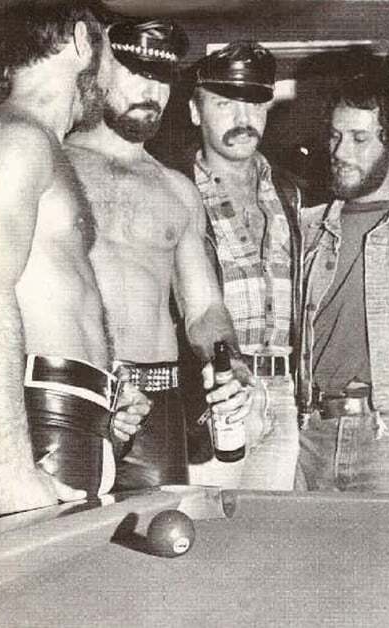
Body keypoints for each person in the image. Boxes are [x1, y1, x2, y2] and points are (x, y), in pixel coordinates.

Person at [0, 0, 152, 517]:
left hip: (73, 415)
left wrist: (106, 390)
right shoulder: (14, 139)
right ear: (80, 40)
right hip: (36, 424)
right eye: (110, 56)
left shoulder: (43, 144)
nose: (110, 77)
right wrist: (12, 468)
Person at [66, 18, 249, 490]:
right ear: (96, 69)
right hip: (75, 394)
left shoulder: (178, 190)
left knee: (163, 529)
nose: (151, 90)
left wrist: (230, 362)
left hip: (159, 404)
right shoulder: (53, 166)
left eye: (162, 77)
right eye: (135, 71)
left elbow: (204, 309)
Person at [177, 41, 302, 490]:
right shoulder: (175, 190)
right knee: (206, 520)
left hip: (285, 396)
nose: (242, 118)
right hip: (216, 394)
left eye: (254, 103)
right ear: (196, 112)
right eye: (224, 104)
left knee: (272, 527)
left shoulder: (292, 191)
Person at [294, 71, 389, 493]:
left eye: (359, 139)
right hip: (307, 434)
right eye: (335, 136)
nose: (340, 152)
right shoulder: (304, 226)